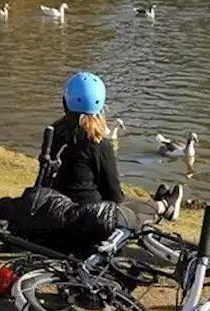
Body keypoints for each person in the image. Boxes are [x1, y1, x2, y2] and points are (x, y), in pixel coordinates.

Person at [49, 71, 184, 225]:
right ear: (100, 107)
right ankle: (163, 206)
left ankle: (162, 204)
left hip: (53, 207)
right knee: (126, 210)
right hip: (88, 218)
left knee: (119, 202)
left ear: (65, 102)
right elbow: (115, 196)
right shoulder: (99, 145)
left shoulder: (53, 132)